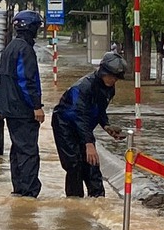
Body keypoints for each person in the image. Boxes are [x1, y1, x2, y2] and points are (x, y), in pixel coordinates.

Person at [53, 54, 129, 197]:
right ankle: (74, 201)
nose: (113, 80)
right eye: (111, 76)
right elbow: (79, 115)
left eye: (116, 78)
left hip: (84, 126)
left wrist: (106, 126)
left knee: (92, 164)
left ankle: (98, 199)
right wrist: (89, 143)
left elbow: (99, 110)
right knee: (74, 164)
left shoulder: (109, 89)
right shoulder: (83, 87)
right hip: (65, 125)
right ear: (103, 72)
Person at [0, 9, 47, 198]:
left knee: (18, 150)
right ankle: (29, 193)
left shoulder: (10, 47)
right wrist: (36, 106)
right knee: (28, 151)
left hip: (10, 109)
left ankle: (19, 189)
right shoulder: (25, 50)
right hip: (22, 109)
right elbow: (27, 81)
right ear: (31, 28)